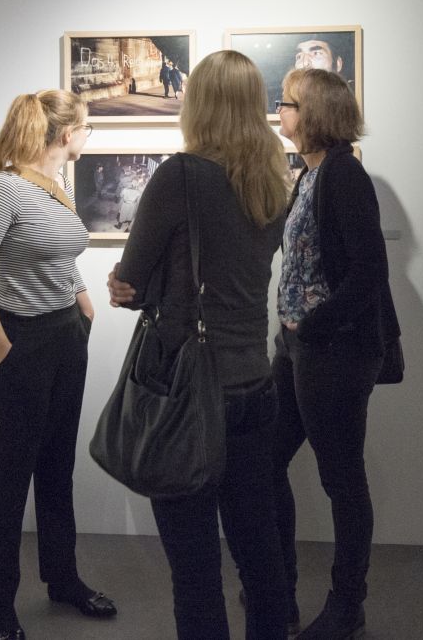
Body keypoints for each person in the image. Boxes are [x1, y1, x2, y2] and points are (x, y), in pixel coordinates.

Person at [107, 49, 291, 639]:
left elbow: (132, 281)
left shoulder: (180, 175)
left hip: (188, 394)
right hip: (254, 386)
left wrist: (129, 286)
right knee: (260, 561)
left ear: (199, 104)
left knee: (194, 572)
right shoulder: (271, 179)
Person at [0, 89, 115, 640]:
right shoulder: (4, 188)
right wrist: (0, 344)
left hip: (63, 339)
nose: (87, 137)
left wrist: (81, 298)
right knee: (5, 482)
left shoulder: (57, 186)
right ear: (64, 134)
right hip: (16, 343)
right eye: (86, 128)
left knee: (56, 467)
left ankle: (62, 578)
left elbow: (58, 255)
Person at [270, 67, 401, 639]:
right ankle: (278, 585)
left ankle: (348, 604)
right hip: (298, 347)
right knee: (265, 460)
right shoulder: (309, 174)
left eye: (288, 104)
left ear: (315, 113)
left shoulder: (344, 175)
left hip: (334, 352)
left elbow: (370, 270)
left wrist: (316, 326)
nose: (280, 113)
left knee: (342, 478)